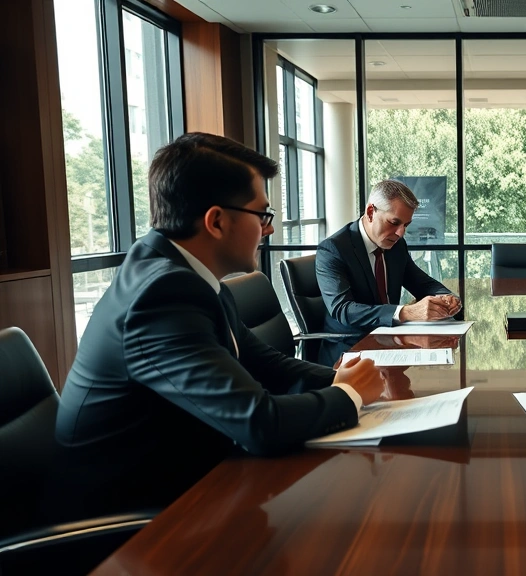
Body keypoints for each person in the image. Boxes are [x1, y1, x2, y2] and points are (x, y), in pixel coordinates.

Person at [53, 133, 385, 518]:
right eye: (262, 215)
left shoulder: (190, 278)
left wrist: (338, 379)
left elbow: (264, 363)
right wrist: (349, 395)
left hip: (189, 481)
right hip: (129, 524)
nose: (269, 229)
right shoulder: (162, 294)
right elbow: (259, 424)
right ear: (216, 221)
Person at [316, 179, 460, 364]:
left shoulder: (396, 245)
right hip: (349, 350)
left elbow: (422, 283)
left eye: (406, 225)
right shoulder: (333, 250)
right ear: (370, 212)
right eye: (394, 222)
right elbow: (343, 310)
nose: (400, 233)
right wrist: (406, 312)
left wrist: (446, 296)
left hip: (390, 344)